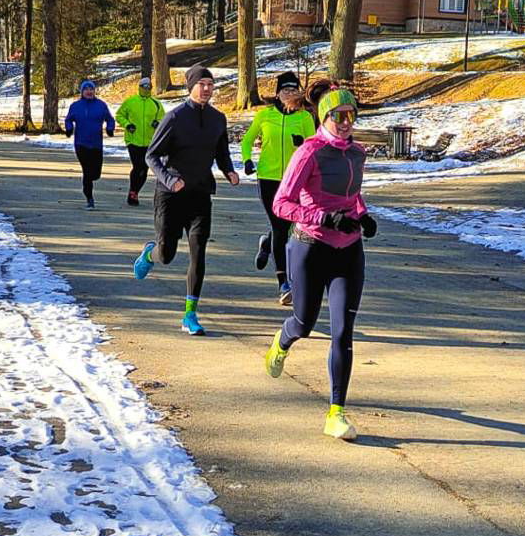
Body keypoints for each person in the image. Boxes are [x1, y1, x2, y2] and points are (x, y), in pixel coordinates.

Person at [263, 87, 377, 441]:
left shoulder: (357, 153)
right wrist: (325, 218)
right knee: (304, 322)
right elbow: (282, 204)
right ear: (323, 117)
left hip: (349, 250)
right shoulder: (308, 152)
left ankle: (336, 412)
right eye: (337, 116)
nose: (345, 123)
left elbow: (352, 194)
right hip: (310, 246)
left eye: (351, 115)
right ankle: (282, 341)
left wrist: (364, 215)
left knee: (343, 332)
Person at [133, 64, 240, 336]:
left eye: (210, 84)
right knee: (166, 254)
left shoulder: (218, 118)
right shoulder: (175, 118)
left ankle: (190, 314)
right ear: (190, 86)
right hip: (171, 195)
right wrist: (170, 180)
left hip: (201, 193)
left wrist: (228, 170)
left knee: (198, 251)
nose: (206, 88)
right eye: (201, 83)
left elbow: (221, 151)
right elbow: (151, 156)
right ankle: (149, 252)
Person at [241, 71, 315, 306]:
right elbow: (247, 140)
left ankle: (267, 242)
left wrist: (301, 145)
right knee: (280, 227)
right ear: (277, 93)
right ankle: (283, 283)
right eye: (285, 90)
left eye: (294, 90)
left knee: (286, 225)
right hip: (269, 177)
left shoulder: (304, 117)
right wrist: (247, 160)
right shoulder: (265, 115)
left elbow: (314, 146)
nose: (289, 94)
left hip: (295, 179)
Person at [64, 80, 115, 209]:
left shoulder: (101, 105)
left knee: (95, 173)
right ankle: (89, 197)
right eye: (86, 89)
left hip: (96, 144)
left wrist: (110, 128)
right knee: (87, 171)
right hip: (81, 143)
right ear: (82, 92)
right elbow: (69, 119)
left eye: (91, 89)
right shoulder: (76, 106)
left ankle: (89, 183)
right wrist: (69, 128)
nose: (89, 91)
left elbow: (110, 119)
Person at [116, 76, 165, 206]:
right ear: (139, 87)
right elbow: (119, 115)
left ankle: (135, 191)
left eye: (149, 86)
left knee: (144, 168)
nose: (146, 88)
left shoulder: (156, 104)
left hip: (150, 141)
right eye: (144, 86)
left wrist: (157, 123)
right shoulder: (131, 101)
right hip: (133, 140)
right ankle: (133, 192)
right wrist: (127, 125)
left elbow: (163, 119)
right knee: (138, 166)